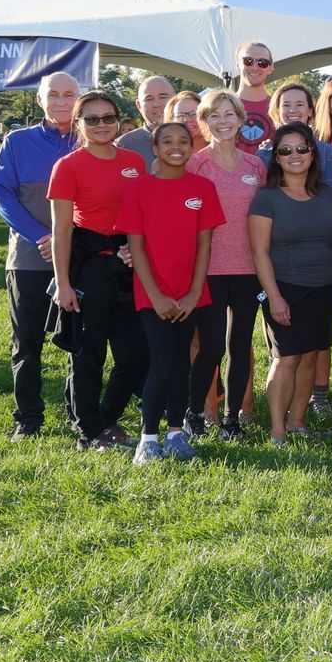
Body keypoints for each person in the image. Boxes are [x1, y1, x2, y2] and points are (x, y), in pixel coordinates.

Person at [46, 89, 148, 451]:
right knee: (89, 352)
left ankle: (106, 420)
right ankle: (88, 431)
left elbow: (143, 214)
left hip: (127, 266)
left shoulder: (135, 160)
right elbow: (62, 230)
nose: (102, 125)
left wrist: (137, 250)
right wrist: (63, 284)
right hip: (88, 267)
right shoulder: (69, 166)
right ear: (78, 124)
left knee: (135, 354)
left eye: (108, 118)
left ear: (119, 120)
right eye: (92, 119)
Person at [118, 120, 221, 464]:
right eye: (167, 141)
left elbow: (205, 245)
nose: (176, 147)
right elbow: (137, 246)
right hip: (153, 295)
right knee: (161, 363)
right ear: (155, 148)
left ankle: (176, 433)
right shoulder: (138, 189)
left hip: (191, 294)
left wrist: (193, 293)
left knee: (181, 365)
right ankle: (148, 439)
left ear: (192, 148)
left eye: (183, 141)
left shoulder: (203, 188)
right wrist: (156, 296)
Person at [0, 71, 80, 439]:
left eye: (69, 94)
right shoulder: (17, 142)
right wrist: (42, 236)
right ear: (39, 99)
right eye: (54, 94)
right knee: (27, 343)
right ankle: (28, 419)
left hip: (80, 258)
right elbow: (4, 196)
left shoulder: (91, 139)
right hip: (30, 257)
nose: (62, 101)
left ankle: (81, 416)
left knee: (80, 344)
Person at [248, 122, 332, 444]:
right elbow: (259, 253)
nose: (295, 155)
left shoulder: (327, 195)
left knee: (311, 356)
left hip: (323, 288)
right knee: (286, 358)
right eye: (285, 150)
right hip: (285, 287)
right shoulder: (267, 199)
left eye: (302, 148)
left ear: (313, 154)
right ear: (276, 158)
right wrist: (274, 297)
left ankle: (298, 421)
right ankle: (277, 430)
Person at [188, 91, 264, 439]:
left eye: (229, 114)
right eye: (214, 116)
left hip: (248, 269)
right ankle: (194, 413)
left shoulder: (255, 166)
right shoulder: (195, 164)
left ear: (240, 119)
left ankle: (232, 418)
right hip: (209, 269)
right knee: (212, 346)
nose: (223, 121)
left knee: (240, 346)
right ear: (204, 123)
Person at [115, 76, 176, 169]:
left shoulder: (194, 137)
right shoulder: (124, 145)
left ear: (175, 100)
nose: (157, 104)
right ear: (139, 105)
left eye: (163, 97)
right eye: (149, 99)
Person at [233, 39, 277, 154]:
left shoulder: (280, 107)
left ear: (270, 68)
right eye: (248, 61)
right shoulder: (222, 105)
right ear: (238, 65)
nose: (255, 67)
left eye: (262, 62)